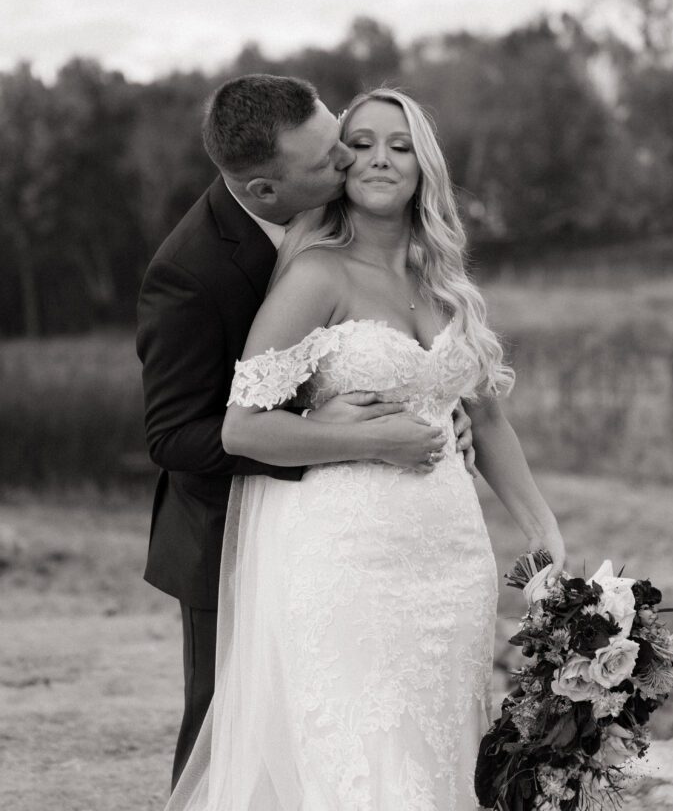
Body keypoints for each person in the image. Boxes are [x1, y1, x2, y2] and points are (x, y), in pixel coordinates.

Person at [165, 88, 566, 810]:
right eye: (363, 142)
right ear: (340, 165)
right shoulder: (315, 276)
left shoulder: (447, 285)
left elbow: (490, 422)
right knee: (365, 759)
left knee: (441, 751)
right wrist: (370, 438)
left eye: (400, 144)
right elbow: (241, 429)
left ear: (423, 166)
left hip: (450, 559)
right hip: (346, 557)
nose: (379, 156)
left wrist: (542, 528)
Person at [136, 75, 475, 788]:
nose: (352, 164)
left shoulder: (349, 223)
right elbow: (175, 436)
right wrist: (340, 439)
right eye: (334, 159)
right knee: (230, 728)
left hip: (390, 525)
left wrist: (436, 408)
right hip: (221, 521)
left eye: (338, 140)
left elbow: (382, 347)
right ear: (265, 191)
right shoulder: (188, 274)